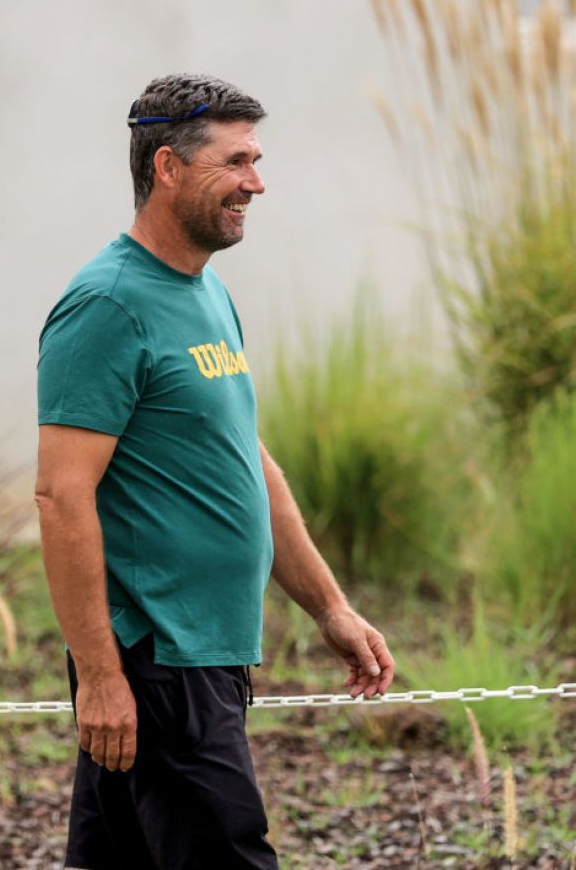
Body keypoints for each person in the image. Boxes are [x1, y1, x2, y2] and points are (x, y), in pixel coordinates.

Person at [35, 73, 395, 869]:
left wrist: (328, 607)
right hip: (161, 661)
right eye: (236, 162)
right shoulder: (107, 304)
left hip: (204, 659)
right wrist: (99, 675)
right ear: (167, 167)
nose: (256, 182)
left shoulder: (206, 293)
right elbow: (62, 497)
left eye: (256, 160)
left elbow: (247, 462)